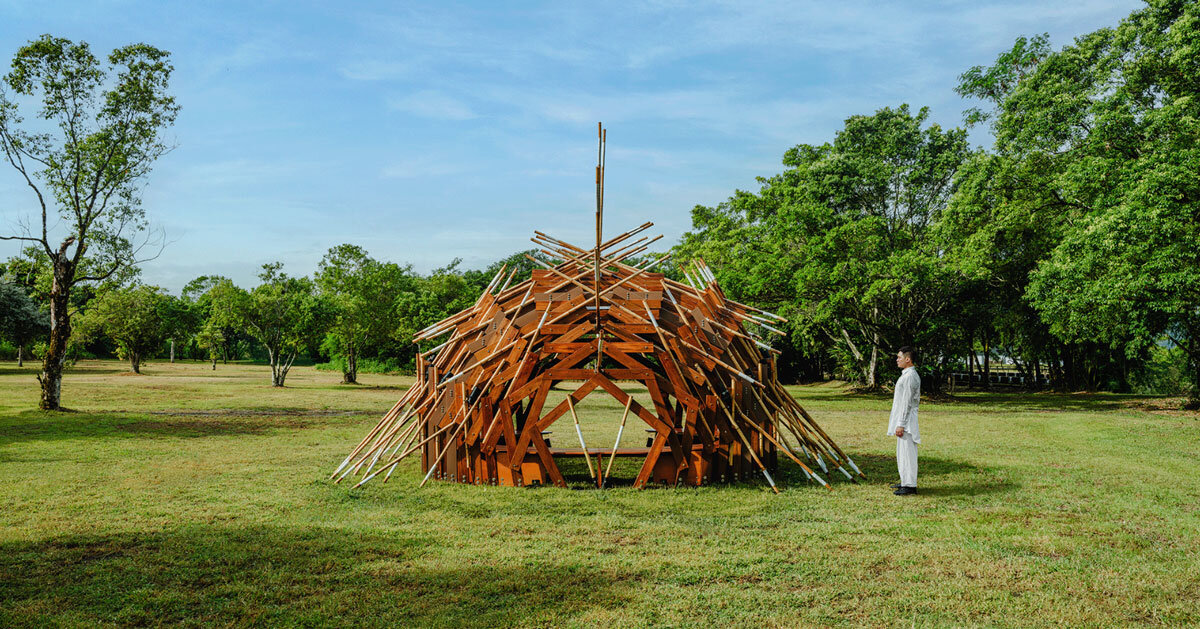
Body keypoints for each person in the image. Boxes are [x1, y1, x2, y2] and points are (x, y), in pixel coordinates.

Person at [887, 346, 921, 495]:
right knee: (902, 452)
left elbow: (907, 402)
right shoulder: (906, 375)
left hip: (907, 421)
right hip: (903, 419)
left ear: (908, 359)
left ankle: (910, 485)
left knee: (908, 452)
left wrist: (901, 424)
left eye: (899, 357)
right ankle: (905, 480)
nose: (897, 360)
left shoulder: (910, 377)